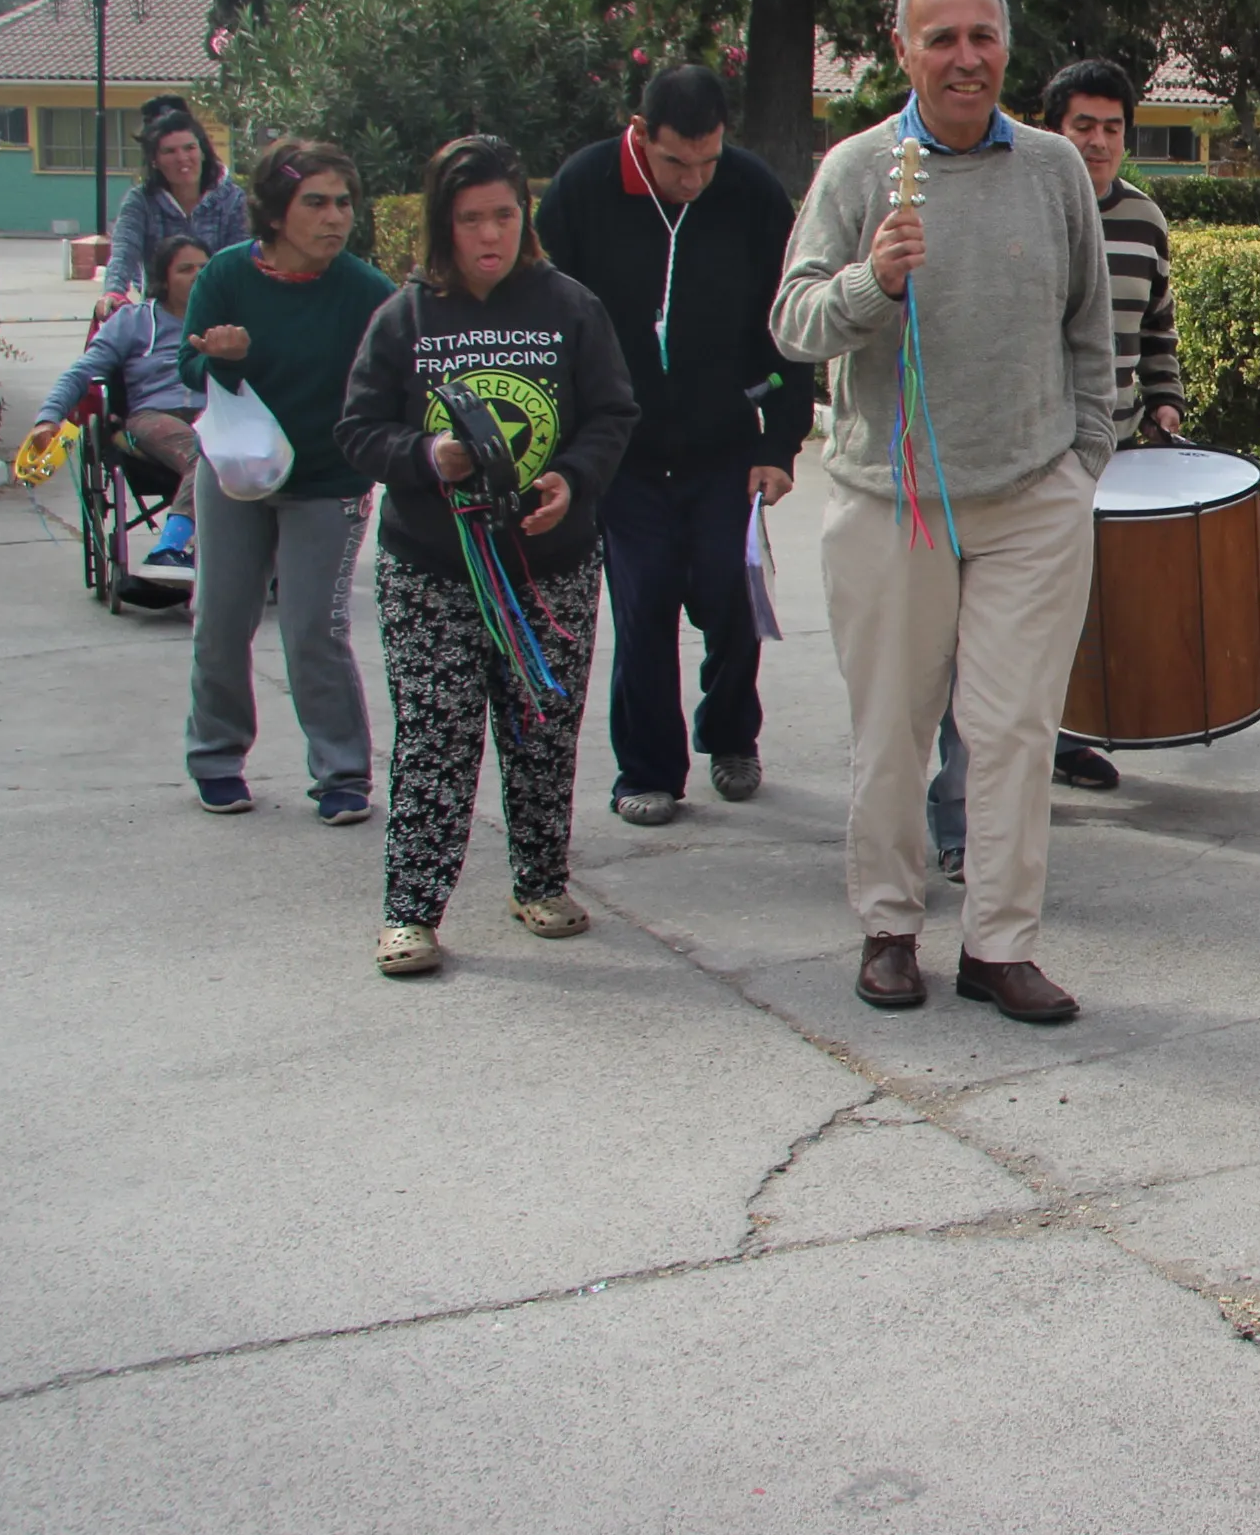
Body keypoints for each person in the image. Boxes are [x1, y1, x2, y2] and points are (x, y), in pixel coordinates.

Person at [774, 0, 1114, 1024]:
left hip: (1031, 501)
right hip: (892, 500)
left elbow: (1091, 331)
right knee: (894, 729)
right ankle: (887, 928)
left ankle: (998, 946)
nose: (965, 58)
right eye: (942, 39)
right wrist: (873, 282)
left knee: (1014, 732)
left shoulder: (1056, 168)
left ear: (1005, 46)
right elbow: (793, 325)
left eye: (983, 36)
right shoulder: (856, 171)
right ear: (903, 51)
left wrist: (1081, 464)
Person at [339, 136, 641, 978]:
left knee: (542, 729)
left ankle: (540, 881)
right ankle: (411, 912)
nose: (490, 235)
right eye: (471, 218)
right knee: (435, 739)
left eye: (505, 215)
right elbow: (358, 429)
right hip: (434, 571)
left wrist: (573, 483)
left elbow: (613, 414)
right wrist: (425, 455)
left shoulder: (569, 307)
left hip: (551, 568)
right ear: (444, 224)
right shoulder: (405, 317)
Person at [536, 63, 811, 828]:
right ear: (638, 134)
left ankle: (730, 734)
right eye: (675, 163)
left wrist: (781, 442)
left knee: (730, 593)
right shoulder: (583, 189)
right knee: (644, 598)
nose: (694, 178)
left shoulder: (752, 193)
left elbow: (788, 324)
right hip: (620, 450)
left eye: (708, 161)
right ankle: (648, 767)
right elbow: (550, 317)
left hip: (724, 440)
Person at [928, 58, 1182, 858]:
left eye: (1113, 129)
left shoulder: (1145, 219)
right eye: (1084, 126)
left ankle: (1064, 741)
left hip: (1107, 452)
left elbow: (1158, 328)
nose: (1100, 142)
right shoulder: (1023, 205)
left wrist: (1165, 401)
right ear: (1052, 129)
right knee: (986, 641)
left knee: (1068, 626)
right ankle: (963, 817)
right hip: (1026, 456)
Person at [177, 141, 397, 822]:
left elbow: (401, 374)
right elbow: (187, 371)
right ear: (275, 212)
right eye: (316, 203)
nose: (336, 218)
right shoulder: (224, 278)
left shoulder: (366, 292)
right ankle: (217, 755)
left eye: (344, 203)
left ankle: (342, 774)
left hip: (328, 482)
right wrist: (224, 361)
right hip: (236, 474)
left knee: (313, 630)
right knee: (221, 619)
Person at [30, 234, 211, 582]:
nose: (197, 275)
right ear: (163, 278)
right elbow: (83, 372)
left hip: (214, 413)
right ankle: (168, 550)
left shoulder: (225, 321)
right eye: (186, 269)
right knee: (204, 452)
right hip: (154, 417)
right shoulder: (134, 321)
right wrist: (48, 418)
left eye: (204, 268)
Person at [99, 98, 250, 307]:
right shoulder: (140, 201)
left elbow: (240, 261)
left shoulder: (232, 200)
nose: (182, 158)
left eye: (189, 148)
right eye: (169, 151)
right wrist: (113, 292)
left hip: (219, 312)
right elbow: (124, 251)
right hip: (160, 315)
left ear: (203, 151)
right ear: (154, 160)